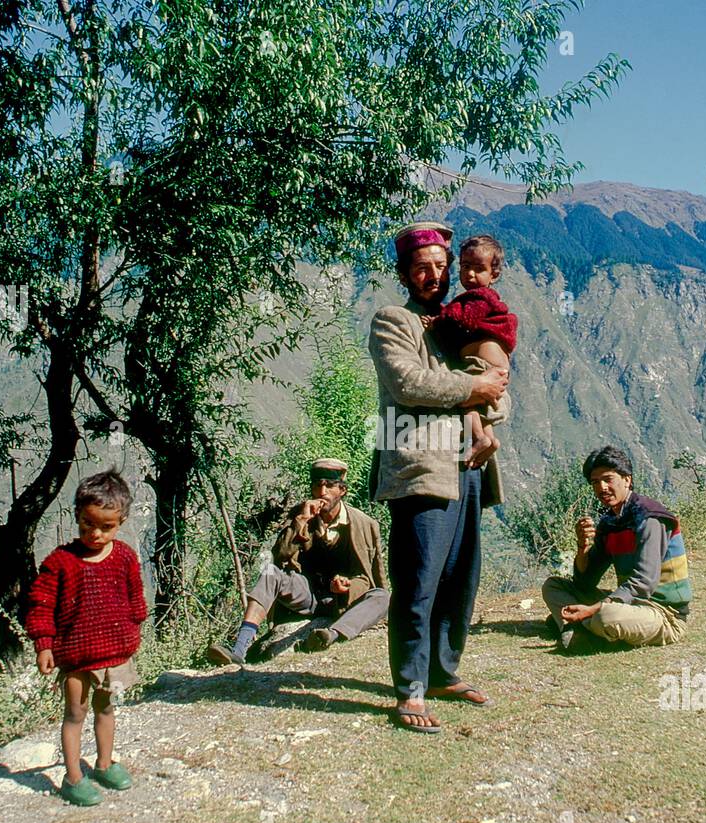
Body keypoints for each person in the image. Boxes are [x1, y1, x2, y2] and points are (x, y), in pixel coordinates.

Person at [369, 221, 511, 733]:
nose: (432, 276)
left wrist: (487, 408)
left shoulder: (461, 321)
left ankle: (443, 670)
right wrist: (474, 388)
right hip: (420, 467)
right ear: (405, 274)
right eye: (421, 268)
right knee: (419, 578)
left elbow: (501, 385)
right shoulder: (393, 321)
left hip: (469, 465)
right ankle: (409, 687)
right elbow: (408, 383)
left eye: (439, 267)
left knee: (459, 576)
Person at [24, 469, 148, 807]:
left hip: (113, 655)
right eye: (86, 524)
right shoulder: (61, 562)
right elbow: (40, 604)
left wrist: (135, 626)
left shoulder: (124, 557)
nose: (95, 534)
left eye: (106, 527)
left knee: (106, 708)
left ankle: (104, 763)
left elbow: (135, 596)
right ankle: (73, 777)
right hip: (76, 658)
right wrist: (44, 644)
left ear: (120, 521)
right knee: (75, 715)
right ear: (78, 517)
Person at [206, 458, 388, 666]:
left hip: (343, 600)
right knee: (270, 573)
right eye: (317, 485)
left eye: (329, 485)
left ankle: (329, 636)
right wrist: (300, 523)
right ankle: (240, 648)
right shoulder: (300, 515)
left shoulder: (364, 524)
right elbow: (280, 558)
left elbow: (368, 576)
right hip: (309, 594)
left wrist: (346, 586)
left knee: (382, 597)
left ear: (342, 490)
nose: (322, 491)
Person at [542, 446, 692, 650]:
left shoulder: (650, 519)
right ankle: (581, 627)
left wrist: (593, 609)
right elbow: (585, 583)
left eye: (608, 479)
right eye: (595, 482)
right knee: (553, 586)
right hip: (631, 605)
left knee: (606, 616)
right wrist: (582, 547)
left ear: (627, 479)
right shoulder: (611, 523)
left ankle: (576, 626)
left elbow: (643, 583)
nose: (601, 487)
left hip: (663, 613)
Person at [423, 234, 518, 468]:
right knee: (480, 403)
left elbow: (463, 319)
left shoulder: (479, 297)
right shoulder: (481, 298)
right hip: (491, 365)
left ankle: (479, 437)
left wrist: (437, 322)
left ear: (493, 275)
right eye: (465, 267)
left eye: (478, 269)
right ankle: (490, 440)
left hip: (481, 364)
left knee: (467, 396)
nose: (470, 274)